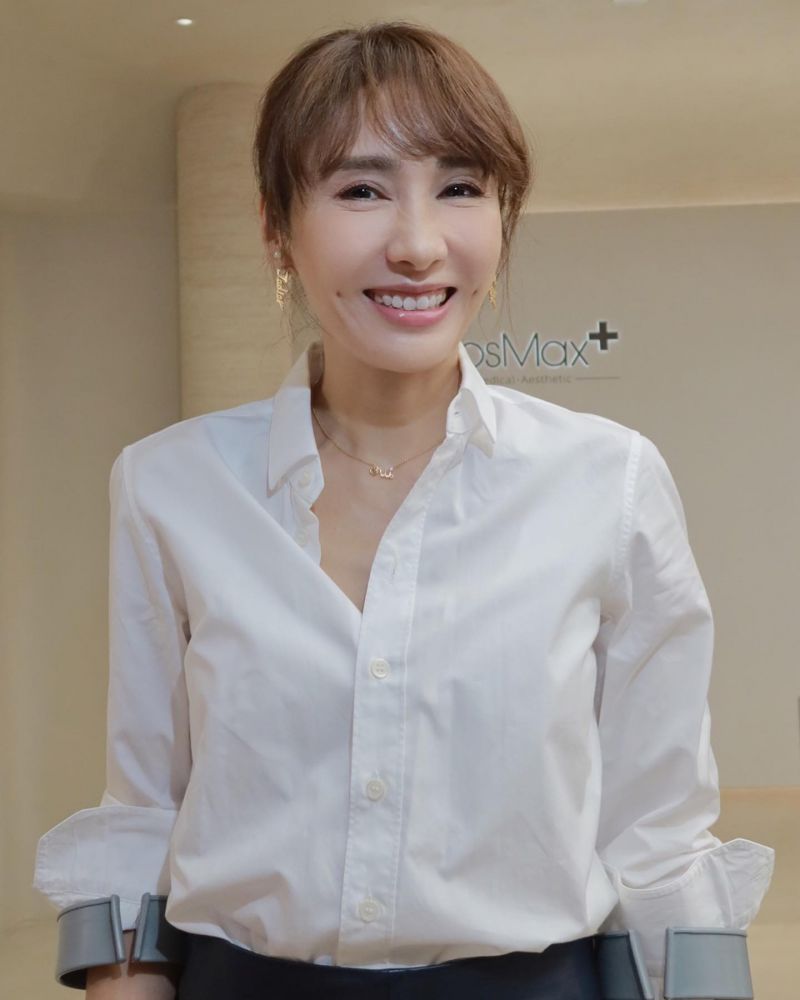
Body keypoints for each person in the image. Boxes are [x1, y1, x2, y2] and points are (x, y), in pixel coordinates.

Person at [33, 20, 774, 1000]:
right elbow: (141, 811)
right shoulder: (170, 485)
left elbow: (658, 830)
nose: (419, 245)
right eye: (361, 190)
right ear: (276, 229)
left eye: (460, 187)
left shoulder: (609, 481)